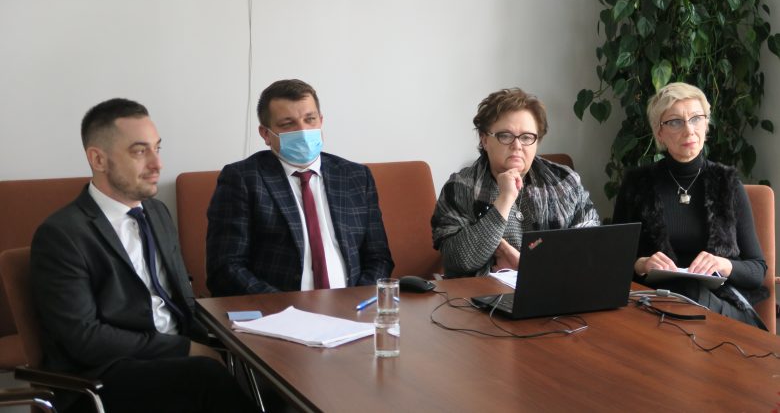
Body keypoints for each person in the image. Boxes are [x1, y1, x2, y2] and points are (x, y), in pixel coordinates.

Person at [30, 98, 257, 412]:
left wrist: (237, 329)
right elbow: (85, 339)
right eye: (140, 152)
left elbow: (182, 297)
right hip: (105, 375)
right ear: (98, 159)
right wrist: (184, 348)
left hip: (174, 355)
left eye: (157, 148)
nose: (157, 164)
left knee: (261, 359)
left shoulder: (156, 212)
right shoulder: (62, 234)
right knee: (206, 376)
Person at [206, 79, 394, 296]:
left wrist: (357, 299)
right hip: (278, 309)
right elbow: (226, 267)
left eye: (310, 119)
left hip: (352, 306)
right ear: (265, 134)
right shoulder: (242, 179)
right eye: (288, 124)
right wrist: (284, 306)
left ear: (321, 121)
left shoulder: (356, 176)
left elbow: (378, 257)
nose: (303, 131)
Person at [612, 82, 769, 328]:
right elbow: (613, 263)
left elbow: (757, 270)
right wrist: (641, 264)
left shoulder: (727, 184)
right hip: (656, 304)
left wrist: (724, 265)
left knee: (691, 292)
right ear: (659, 133)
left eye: (696, 119)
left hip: (720, 307)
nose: (689, 130)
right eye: (675, 122)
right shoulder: (636, 185)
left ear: (706, 125)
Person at [431, 88, 600, 277]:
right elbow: (458, 259)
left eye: (527, 137)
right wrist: (505, 199)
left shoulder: (564, 181)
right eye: (505, 136)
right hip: (484, 294)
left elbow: (589, 246)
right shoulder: (460, 188)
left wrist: (528, 266)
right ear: (484, 139)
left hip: (556, 291)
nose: (517, 146)